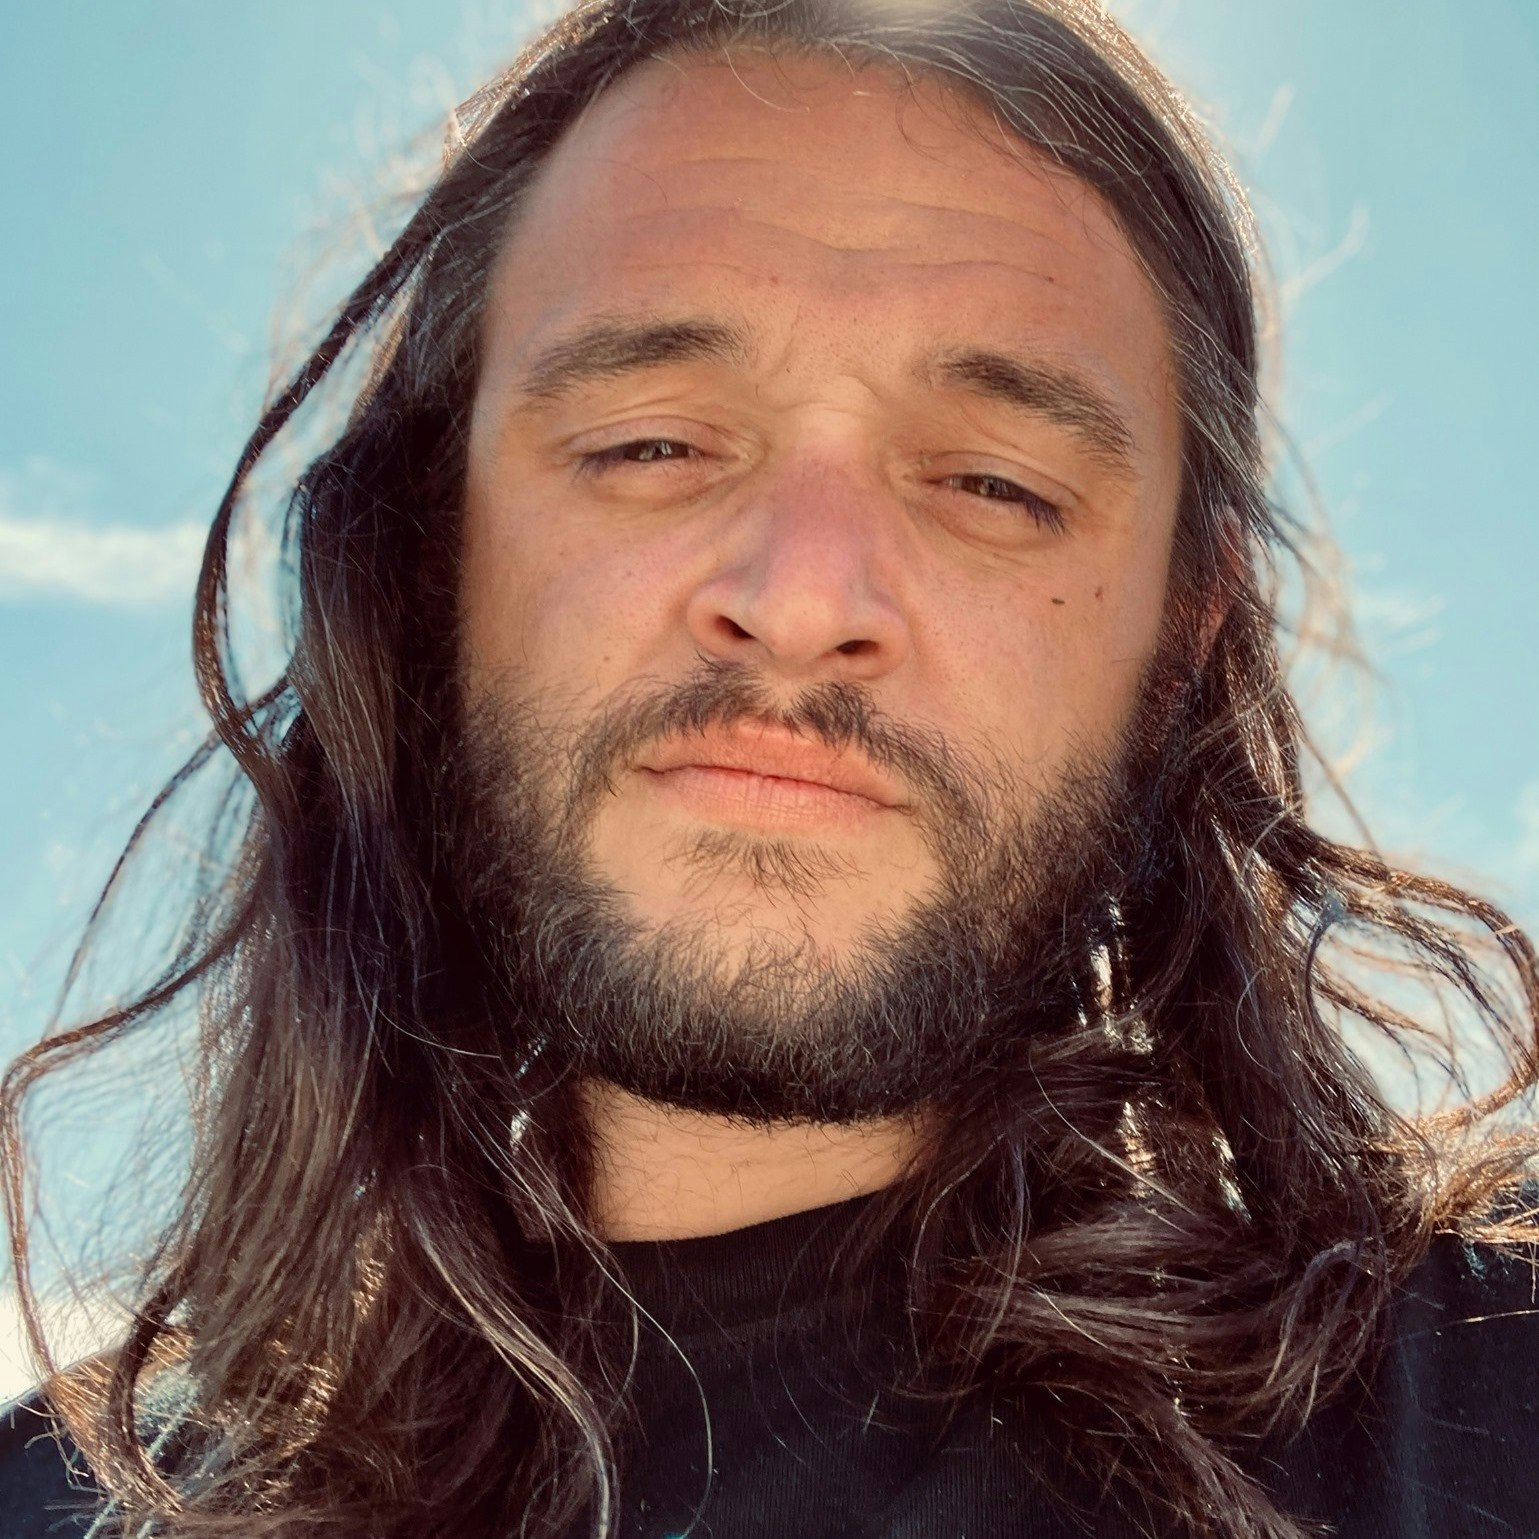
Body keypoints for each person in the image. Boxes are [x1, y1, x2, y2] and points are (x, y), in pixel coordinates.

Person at [2, 1, 1536, 1535]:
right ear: (429, 555)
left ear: (1179, 632)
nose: (802, 599)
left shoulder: (1491, 1404)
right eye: (651, 444)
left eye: (993, 483)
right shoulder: (60, 1499)